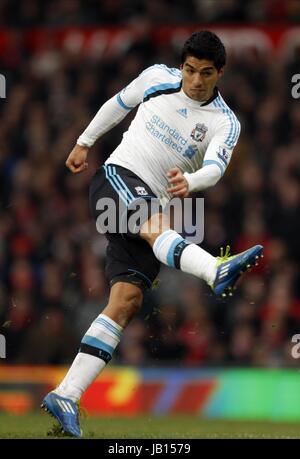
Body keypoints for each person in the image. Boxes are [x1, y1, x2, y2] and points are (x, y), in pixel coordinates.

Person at [41, 30, 263, 437]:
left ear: (220, 74)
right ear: (182, 66)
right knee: (156, 225)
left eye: (206, 73)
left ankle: (66, 394)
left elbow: (215, 168)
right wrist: (84, 142)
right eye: (190, 70)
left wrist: (191, 183)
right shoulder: (156, 78)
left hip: (151, 203)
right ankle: (215, 270)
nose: (196, 80)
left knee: (127, 300)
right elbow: (118, 104)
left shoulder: (225, 123)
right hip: (117, 178)